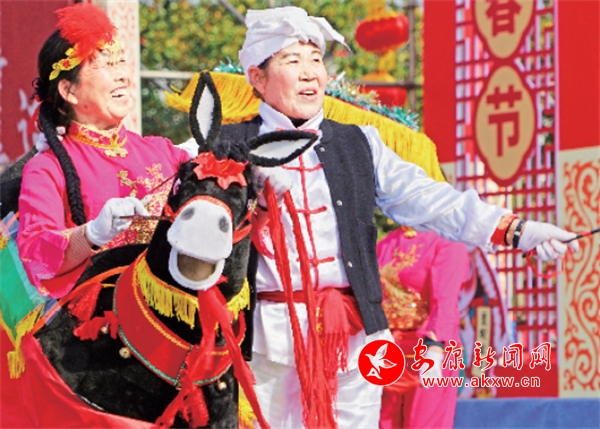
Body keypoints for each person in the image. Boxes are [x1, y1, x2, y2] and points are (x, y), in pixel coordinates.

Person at [221, 6, 581, 429]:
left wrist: (517, 230)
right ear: (257, 76)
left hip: (356, 335)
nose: (309, 73)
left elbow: (430, 199)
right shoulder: (225, 146)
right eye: (292, 60)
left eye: (316, 59)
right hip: (265, 339)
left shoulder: (360, 143)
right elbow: (174, 204)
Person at [16, 3, 195, 300]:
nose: (122, 74)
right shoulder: (47, 168)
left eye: (121, 61)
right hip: (97, 321)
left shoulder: (163, 151)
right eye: (105, 65)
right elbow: (36, 254)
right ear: (69, 91)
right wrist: (91, 234)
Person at [376, 227, 470, 429]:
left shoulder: (447, 242)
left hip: (429, 348)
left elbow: (444, 301)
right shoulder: (385, 244)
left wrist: (434, 349)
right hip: (390, 350)